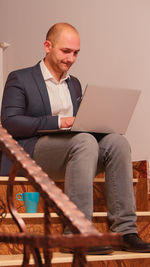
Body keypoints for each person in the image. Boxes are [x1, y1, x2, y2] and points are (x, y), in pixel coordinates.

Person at [1, 22, 150, 254]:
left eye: (76, 53)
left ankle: (125, 232)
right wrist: (60, 122)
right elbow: (11, 122)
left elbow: (79, 130)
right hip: (32, 153)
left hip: (74, 152)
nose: (71, 58)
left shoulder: (75, 83)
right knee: (84, 142)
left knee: (117, 142)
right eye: (65, 51)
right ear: (47, 46)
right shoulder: (20, 78)